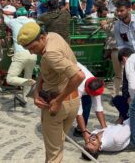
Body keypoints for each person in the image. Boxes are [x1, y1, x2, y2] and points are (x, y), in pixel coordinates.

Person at [17, 22, 85, 162]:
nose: (31, 52)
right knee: (57, 148)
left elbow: (79, 76)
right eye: (27, 49)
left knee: (53, 154)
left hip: (57, 106)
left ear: (41, 37)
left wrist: (58, 101)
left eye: (32, 47)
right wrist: (36, 92)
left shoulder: (50, 54)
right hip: (73, 102)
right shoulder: (53, 36)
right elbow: (46, 68)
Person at [4, 6, 37, 103]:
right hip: (33, 54)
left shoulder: (13, 21)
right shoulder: (32, 21)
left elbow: (4, 18)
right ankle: (25, 98)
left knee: (10, 78)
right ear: (27, 14)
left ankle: (31, 83)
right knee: (28, 76)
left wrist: (5, 13)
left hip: (20, 53)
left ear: (16, 15)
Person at [74, 62, 107, 143]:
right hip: (65, 79)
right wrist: (85, 133)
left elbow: (99, 108)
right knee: (71, 106)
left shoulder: (95, 83)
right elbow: (78, 113)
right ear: (87, 90)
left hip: (82, 84)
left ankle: (80, 128)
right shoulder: (78, 89)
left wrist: (105, 129)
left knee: (87, 102)